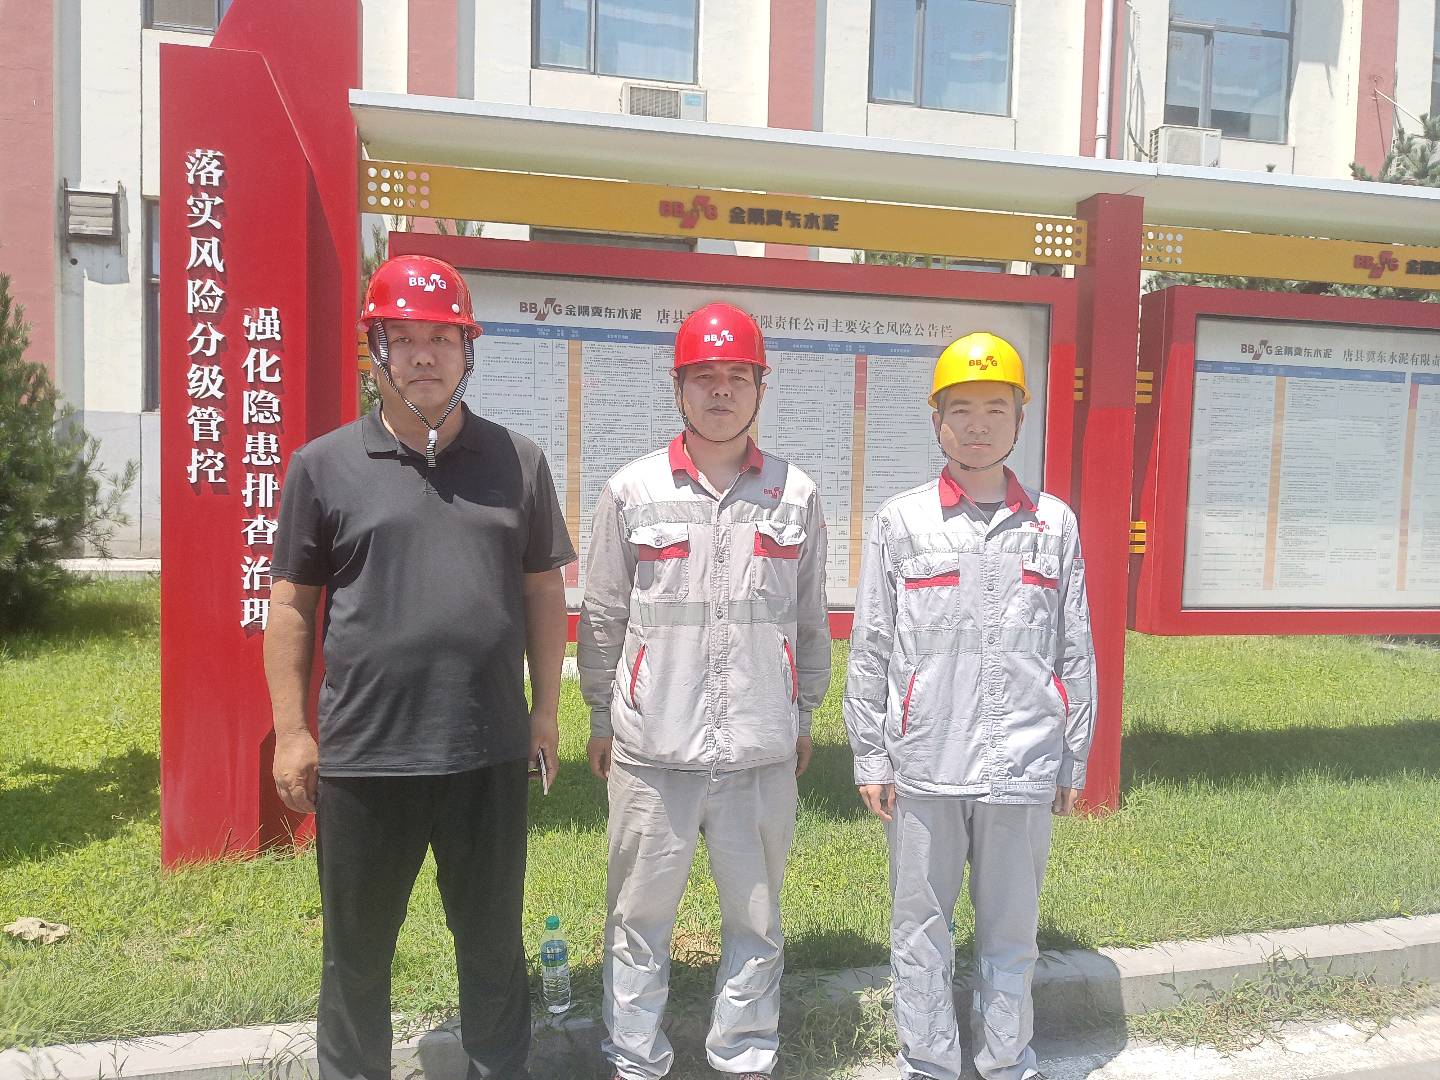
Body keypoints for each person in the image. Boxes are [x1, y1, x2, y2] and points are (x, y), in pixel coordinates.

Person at [264, 254, 575, 1080]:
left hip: (487, 749)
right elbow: (291, 605)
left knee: (492, 943)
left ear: (468, 349)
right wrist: (292, 732)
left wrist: (545, 711)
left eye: (443, 338)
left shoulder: (518, 461)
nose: (424, 356)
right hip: (366, 755)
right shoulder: (322, 466)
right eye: (404, 339)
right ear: (377, 350)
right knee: (357, 953)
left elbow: (543, 589)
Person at [577, 302, 831, 1080]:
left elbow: (810, 617)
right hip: (652, 752)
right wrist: (601, 716)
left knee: (756, 924)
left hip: (759, 747)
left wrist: (804, 713)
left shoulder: (795, 494)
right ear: (678, 387)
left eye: (737, 377)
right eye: (705, 377)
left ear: (761, 388)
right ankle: (634, 1059)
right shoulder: (632, 490)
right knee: (637, 921)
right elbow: (603, 614)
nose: (721, 391)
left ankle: (744, 1057)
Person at [843, 332, 1095, 1080]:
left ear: (1020, 418)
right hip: (925, 760)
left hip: (1024, 759)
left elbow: (1076, 649)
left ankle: (1005, 1060)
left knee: (1011, 930)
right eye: (961, 410)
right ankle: (929, 1061)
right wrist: (871, 754)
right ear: (937, 421)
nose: (977, 425)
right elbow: (872, 644)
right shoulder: (901, 522)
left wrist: (1071, 756)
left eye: (995, 408)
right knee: (920, 927)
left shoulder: (1054, 524)